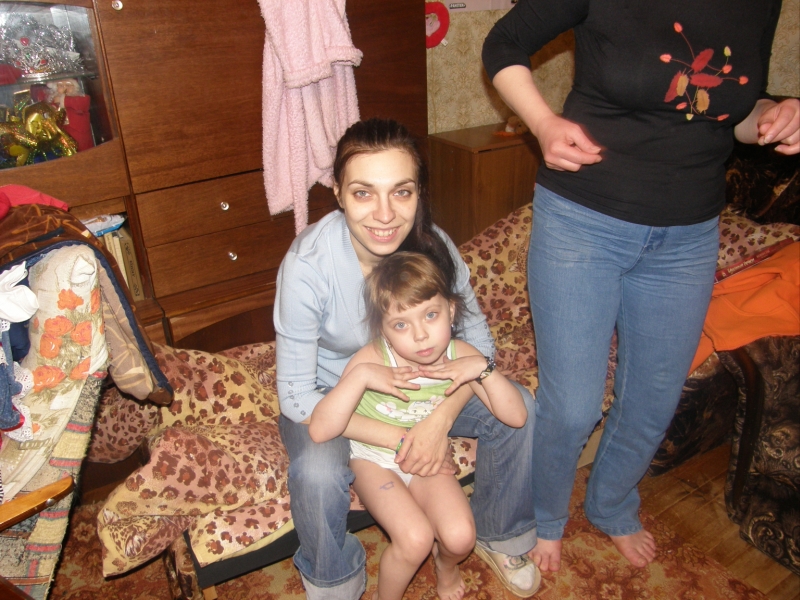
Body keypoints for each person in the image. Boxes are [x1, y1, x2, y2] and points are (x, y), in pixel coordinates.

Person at [482, 0, 799, 573]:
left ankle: (611, 504)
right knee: (573, 406)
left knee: (653, 399)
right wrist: (543, 122)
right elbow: (503, 41)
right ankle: (545, 515)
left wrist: (773, 114)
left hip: (689, 235)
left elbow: (736, 110)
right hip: (583, 220)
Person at [274, 118, 540, 599]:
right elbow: (294, 395)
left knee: (520, 405)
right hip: (336, 396)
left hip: (430, 388)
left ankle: (501, 532)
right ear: (337, 193)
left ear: (419, 193)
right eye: (363, 193)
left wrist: (440, 420)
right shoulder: (308, 265)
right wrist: (402, 439)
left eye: (401, 192)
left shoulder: (433, 245)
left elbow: (479, 345)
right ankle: (334, 582)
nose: (384, 214)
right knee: (316, 472)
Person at [308, 251, 529, 600]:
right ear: (382, 329)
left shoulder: (461, 356)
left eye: (430, 315)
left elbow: (516, 417)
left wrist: (482, 369)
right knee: (415, 540)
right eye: (401, 325)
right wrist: (361, 376)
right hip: (373, 461)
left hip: (425, 457)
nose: (421, 335)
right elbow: (321, 429)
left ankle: (446, 565)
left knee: (460, 538)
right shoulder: (372, 359)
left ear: (451, 311)